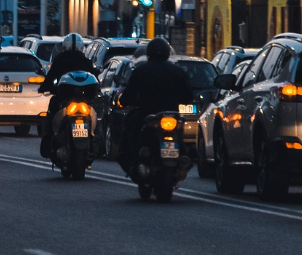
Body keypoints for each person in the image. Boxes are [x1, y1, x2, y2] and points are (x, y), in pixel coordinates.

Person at [116, 38, 193, 173]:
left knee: (130, 129)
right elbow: (188, 96)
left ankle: (133, 159)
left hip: (147, 113)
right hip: (172, 114)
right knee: (181, 133)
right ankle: (184, 155)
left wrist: (127, 101)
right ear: (167, 53)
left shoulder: (141, 70)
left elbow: (128, 95)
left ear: (149, 53)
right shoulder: (178, 72)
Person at [38, 33, 97, 158]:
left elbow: (50, 77)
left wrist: (43, 88)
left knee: (51, 113)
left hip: (65, 100)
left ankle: (48, 143)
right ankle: (95, 140)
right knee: (95, 117)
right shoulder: (86, 61)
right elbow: (95, 78)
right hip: (83, 100)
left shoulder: (60, 60)